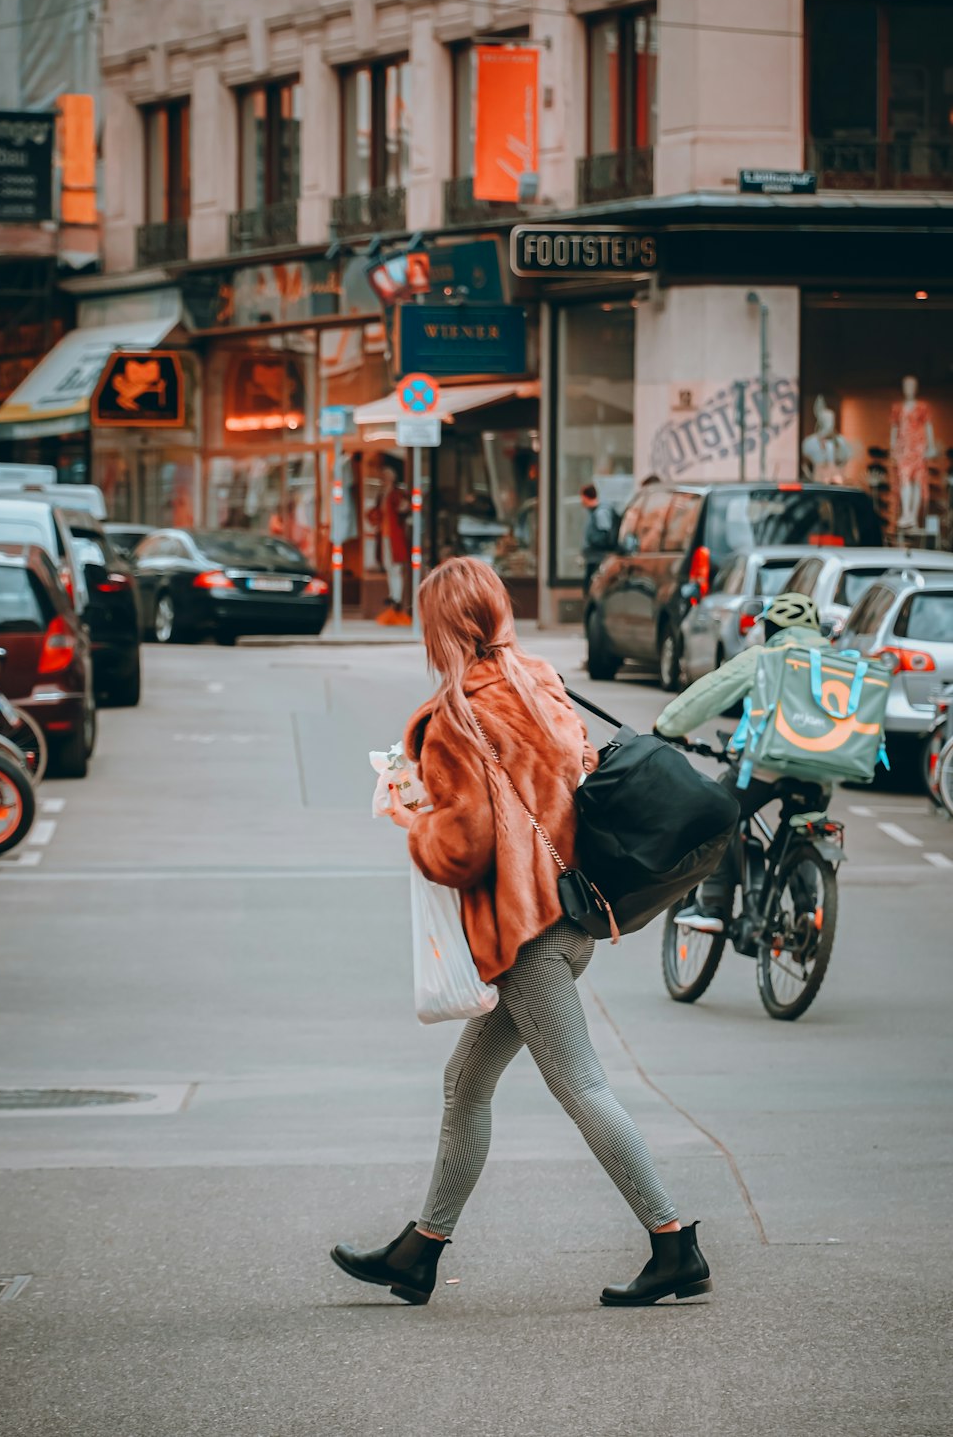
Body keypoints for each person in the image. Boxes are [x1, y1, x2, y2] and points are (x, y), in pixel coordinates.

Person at [330, 556, 711, 1308]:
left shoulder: (455, 719)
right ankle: (420, 1251)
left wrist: (410, 817)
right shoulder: (539, 682)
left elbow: (461, 848)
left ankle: (673, 1244)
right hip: (570, 913)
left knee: (583, 1085)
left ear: (441, 629)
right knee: (464, 1082)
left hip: (525, 929)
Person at [654, 592, 827, 934]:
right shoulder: (840, 662)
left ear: (773, 628)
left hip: (767, 766)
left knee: (719, 814)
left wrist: (667, 727)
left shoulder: (767, 657)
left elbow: (708, 693)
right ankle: (808, 912)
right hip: (824, 771)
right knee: (802, 827)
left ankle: (713, 905)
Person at [368, 460, 412, 626]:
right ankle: (393, 595)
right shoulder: (383, 494)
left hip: (394, 536)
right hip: (385, 535)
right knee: (388, 565)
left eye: (386, 477)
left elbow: (403, 508)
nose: (384, 479)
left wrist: (405, 505)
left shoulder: (395, 493)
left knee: (395, 566)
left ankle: (397, 597)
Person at [580, 483, 619, 592]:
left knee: (591, 587)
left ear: (585, 497)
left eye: (582, 497)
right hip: (594, 556)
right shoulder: (596, 511)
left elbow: (605, 532)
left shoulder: (601, 512)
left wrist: (594, 544)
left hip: (598, 557)